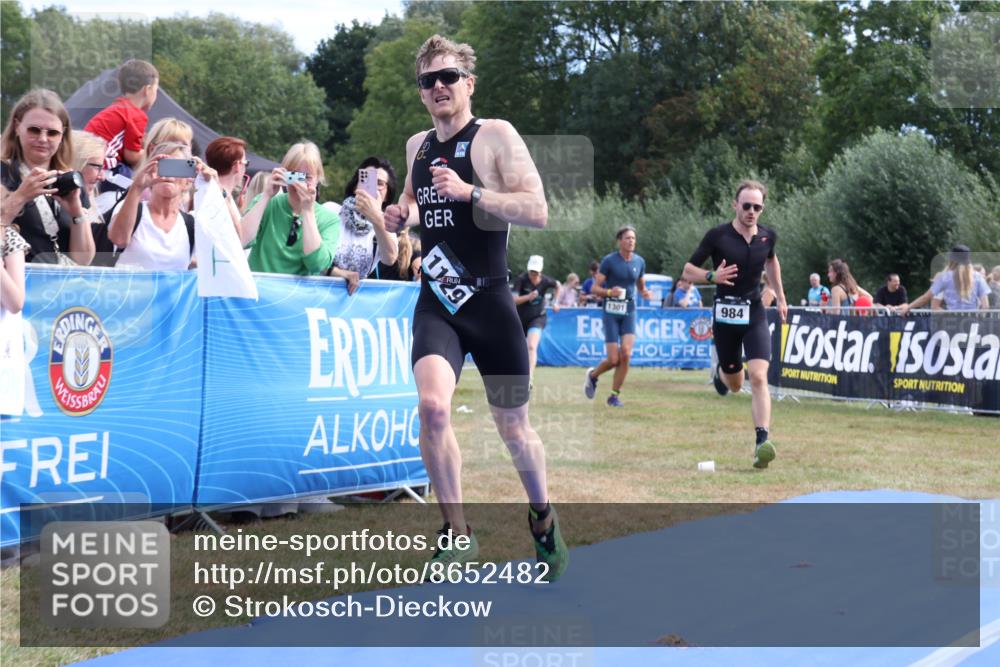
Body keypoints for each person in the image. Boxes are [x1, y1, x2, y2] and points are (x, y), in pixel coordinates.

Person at [383, 34, 567, 581]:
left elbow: (537, 210)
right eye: (428, 81)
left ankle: (542, 516)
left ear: (468, 84)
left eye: (448, 77)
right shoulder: (417, 144)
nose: (438, 87)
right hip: (437, 301)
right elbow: (415, 209)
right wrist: (397, 216)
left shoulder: (496, 136)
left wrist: (473, 194)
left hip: (490, 302)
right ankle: (457, 531)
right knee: (433, 408)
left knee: (515, 429)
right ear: (421, 93)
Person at [681, 180, 788, 469]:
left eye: (758, 207)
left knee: (758, 377)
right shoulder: (718, 235)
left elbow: (772, 263)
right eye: (747, 206)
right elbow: (687, 271)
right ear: (735, 205)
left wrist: (779, 295)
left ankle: (761, 443)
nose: (752, 211)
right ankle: (722, 372)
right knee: (735, 382)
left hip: (754, 312)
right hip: (726, 316)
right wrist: (712, 277)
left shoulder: (768, 237)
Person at [1, 89, 94, 265]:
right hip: (17, 285)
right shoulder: (3, 172)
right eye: (34, 130)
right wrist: (20, 197)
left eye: (52, 133)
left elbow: (83, 260)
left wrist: (76, 211)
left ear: (62, 135)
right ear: (17, 127)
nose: (43, 139)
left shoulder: (70, 179)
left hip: (61, 286)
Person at [107, 142, 217, 270]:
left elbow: (225, 249)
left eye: (177, 168)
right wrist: (137, 187)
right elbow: (119, 240)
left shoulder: (191, 223)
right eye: (163, 166)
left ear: (189, 179)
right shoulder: (132, 209)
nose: (169, 175)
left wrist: (214, 187)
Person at [242, 142, 340, 276]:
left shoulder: (329, 219)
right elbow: (241, 241)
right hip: (261, 291)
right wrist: (266, 195)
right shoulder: (267, 204)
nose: (299, 183)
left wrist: (307, 211)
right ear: (284, 175)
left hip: (299, 295)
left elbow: (317, 264)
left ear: (318, 179)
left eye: (307, 177)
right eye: (294, 175)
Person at [582, 225, 653, 408]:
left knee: (627, 354)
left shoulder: (640, 262)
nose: (631, 241)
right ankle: (593, 376)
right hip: (611, 311)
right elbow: (594, 288)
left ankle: (614, 396)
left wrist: (645, 293)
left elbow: (640, 285)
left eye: (633, 238)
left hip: (629, 310)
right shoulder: (609, 261)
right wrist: (608, 292)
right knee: (613, 359)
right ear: (620, 241)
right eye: (628, 238)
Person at [330, 157, 399, 294]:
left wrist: (376, 217)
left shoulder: (386, 227)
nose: (371, 188)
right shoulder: (332, 211)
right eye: (366, 180)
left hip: (352, 300)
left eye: (379, 183)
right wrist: (335, 272)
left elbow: (390, 258)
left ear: (387, 194)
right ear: (356, 186)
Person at [84, 59, 158, 173]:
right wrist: (151, 152)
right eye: (155, 90)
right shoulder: (136, 115)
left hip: (84, 160)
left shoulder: (119, 108)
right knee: (132, 178)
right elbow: (132, 157)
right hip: (102, 166)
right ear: (147, 90)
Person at [512, 255, 561, 387]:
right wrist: (528, 297)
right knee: (517, 348)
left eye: (536, 272)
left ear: (540, 271)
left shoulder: (545, 281)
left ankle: (529, 378)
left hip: (538, 317)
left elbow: (558, 285)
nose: (533, 275)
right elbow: (514, 300)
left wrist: (556, 302)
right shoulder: (521, 280)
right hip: (520, 318)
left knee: (532, 346)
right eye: (531, 271)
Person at [204, 136, 250, 235]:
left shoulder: (205, 193)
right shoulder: (220, 200)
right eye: (246, 163)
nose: (245, 168)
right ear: (237, 166)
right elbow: (241, 240)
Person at [928, 244, 990, 311]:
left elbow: (934, 306)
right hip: (972, 318)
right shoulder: (977, 277)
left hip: (951, 319)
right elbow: (985, 306)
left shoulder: (944, 278)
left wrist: (950, 315)